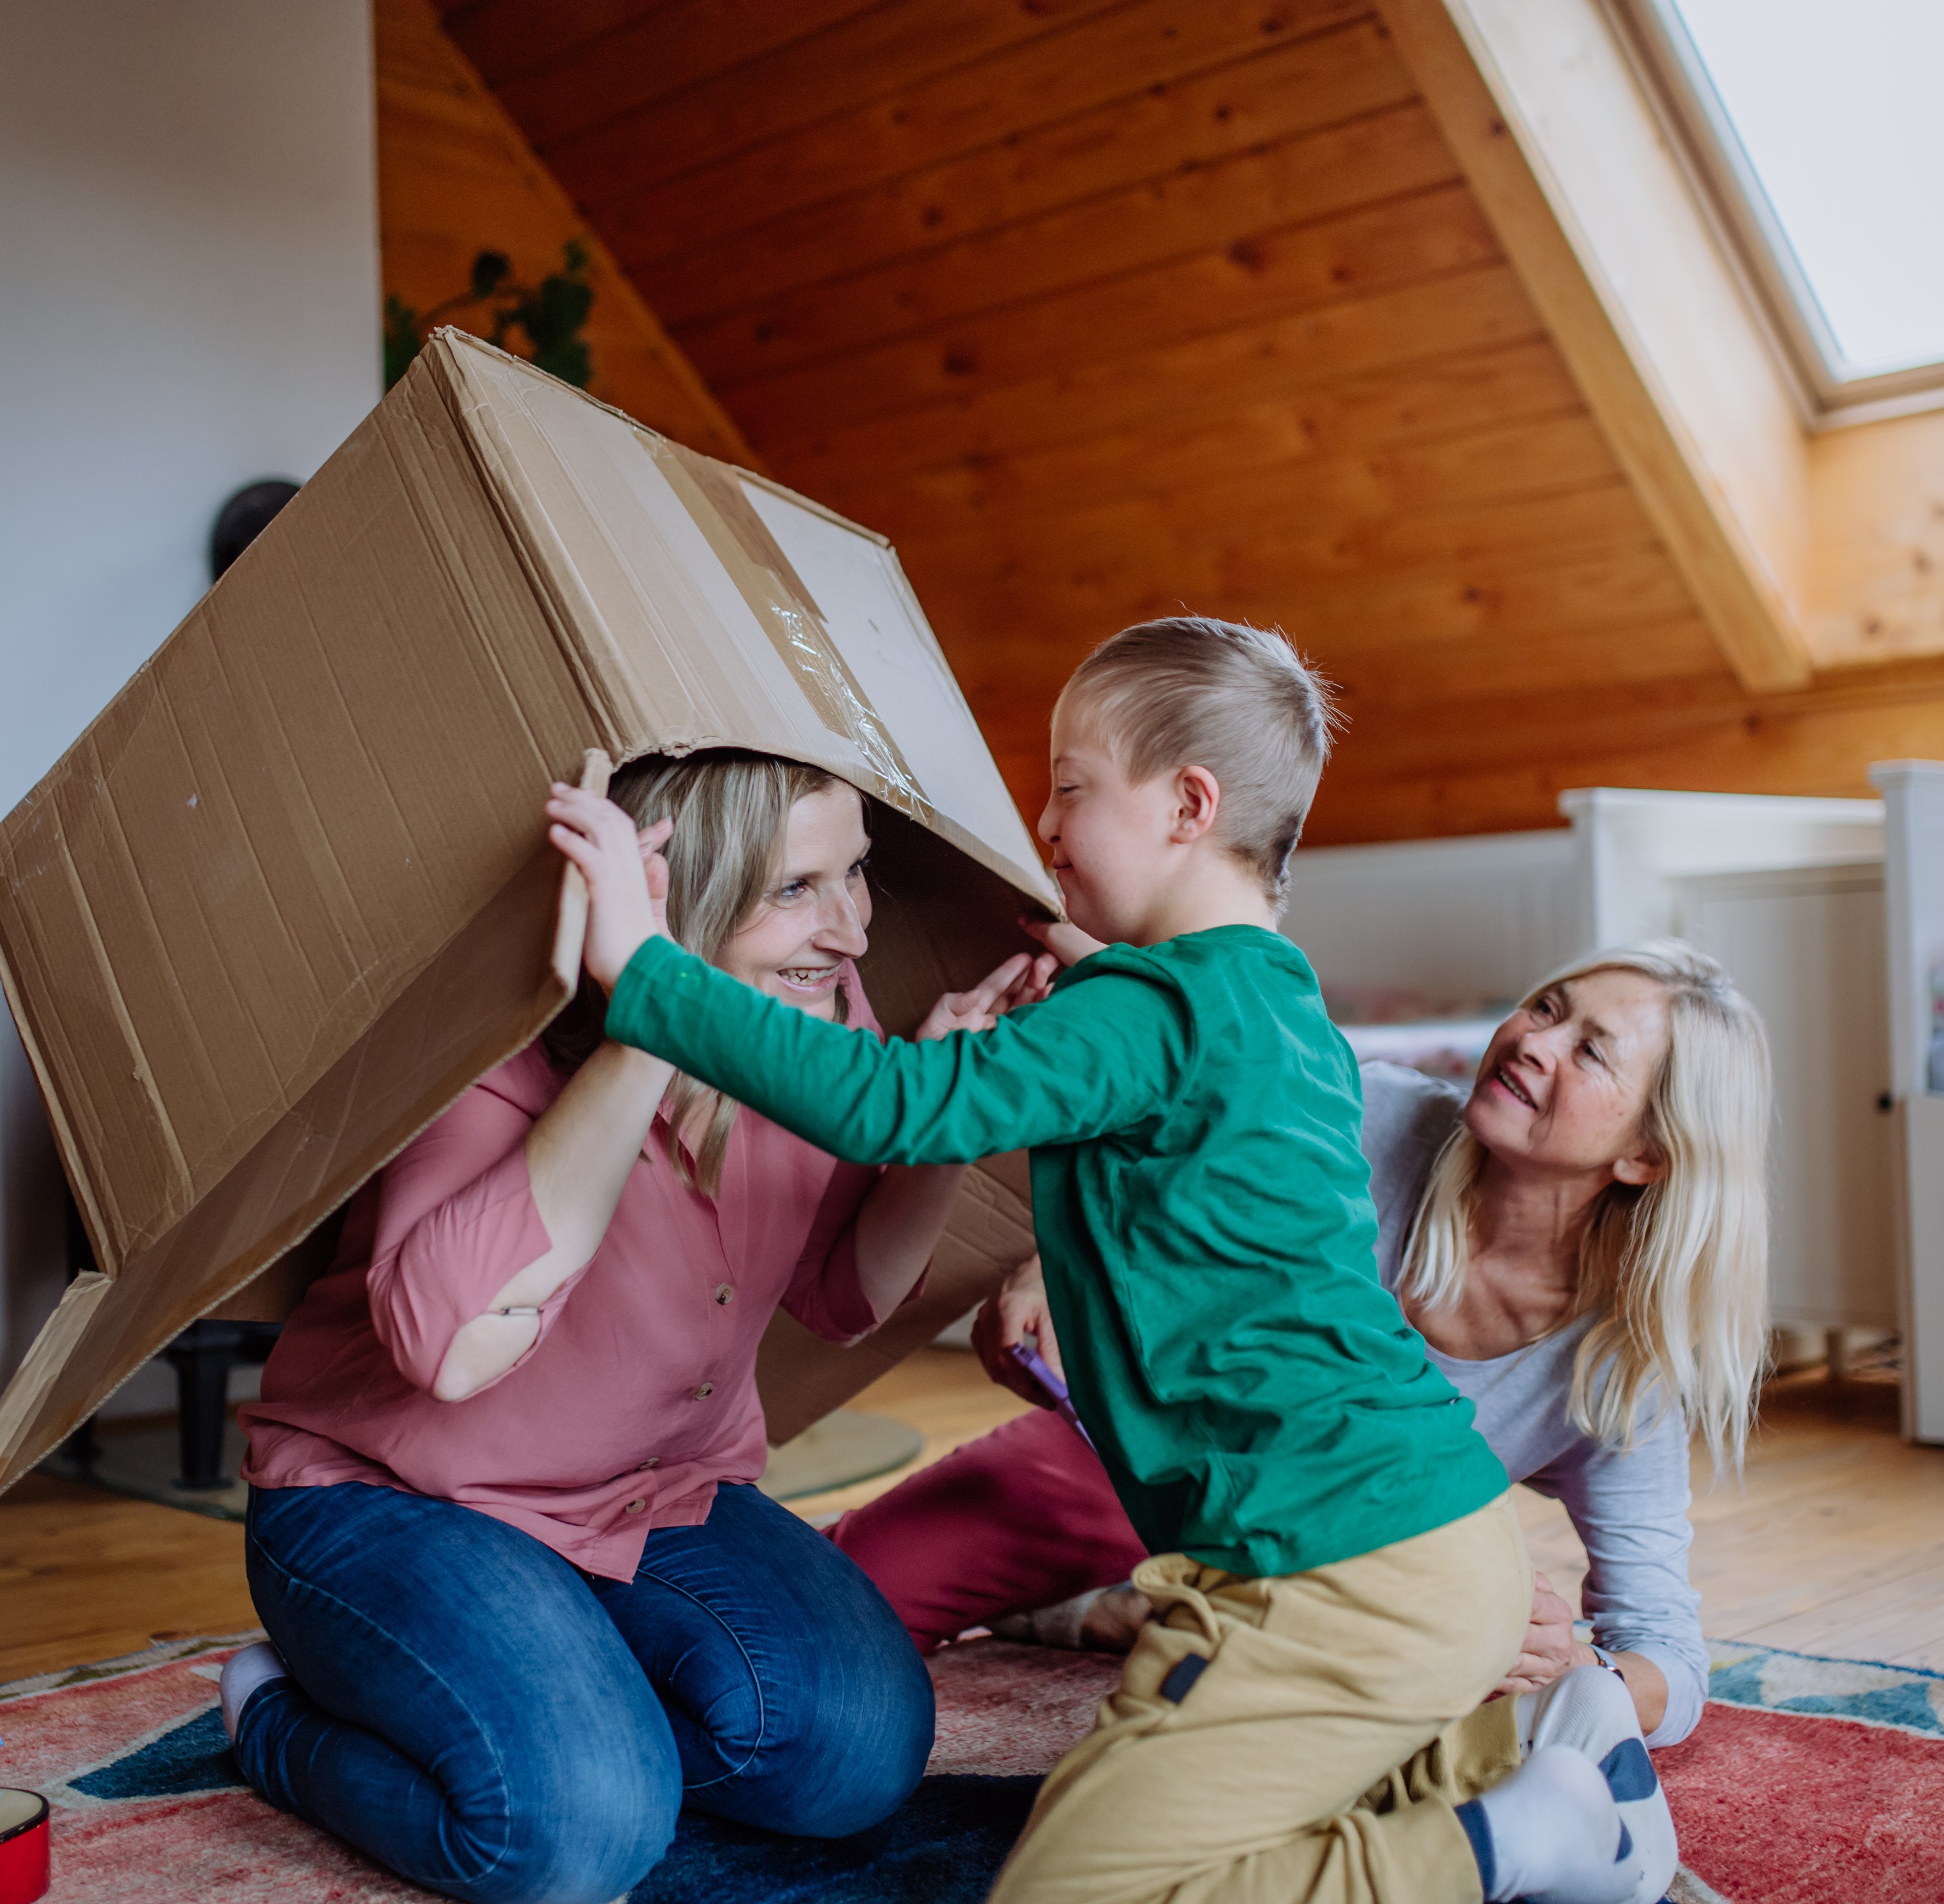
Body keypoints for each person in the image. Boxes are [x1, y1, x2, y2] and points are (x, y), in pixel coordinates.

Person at [546, 618, 1659, 1904]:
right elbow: (1177, 1121)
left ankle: (1506, 1842)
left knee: (1071, 1891)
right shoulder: (1271, 996)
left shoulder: (1150, 1012)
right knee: (1139, 1811)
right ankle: (1507, 1752)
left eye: (1073, 785)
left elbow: (893, 1105)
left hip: (1338, 1571)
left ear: (1190, 804)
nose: (1047, 818)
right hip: (1430, 1540)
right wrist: (1103, 984)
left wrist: (646, 965)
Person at [218, 750, 1052, 1904]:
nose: (853, 933)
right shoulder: (502, 1043)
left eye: (855, 874)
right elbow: (450, 1350)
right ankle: (274, 1719)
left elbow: (841, 1295)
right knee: (576, 1838)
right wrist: (650, 1020)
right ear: (679, 907)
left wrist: (941, 1106)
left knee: (859, 1757)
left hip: (650, 1491)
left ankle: (575, 1707)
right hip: (396, 1498)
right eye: (796, 890)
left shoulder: (816, 1003)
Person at [835, 938, 1774, 1763]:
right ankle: (1127, 1607)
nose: (1534, 1041)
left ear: (1647, 1155)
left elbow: (1668, 1655)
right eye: (1546, 1007)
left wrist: (1583, 1674)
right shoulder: (1364, 1113)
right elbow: (1161, 1174)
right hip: (1130, 1470)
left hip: (1339, 1578)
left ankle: (1147, 1616)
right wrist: (1054, 1267)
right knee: (843, 1612)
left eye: (1590, 1050)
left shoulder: (1621, 1367)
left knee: (1470, 1643)